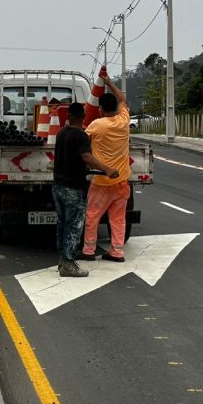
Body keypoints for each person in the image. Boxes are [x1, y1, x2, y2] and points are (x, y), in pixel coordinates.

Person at [53, 102, 118, 277]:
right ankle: (68, 264)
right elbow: (87, 157)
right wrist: (107, 169)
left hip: (58, 186)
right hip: (73, 188)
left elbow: (71, 158)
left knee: (62, 224)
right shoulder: (80, 135)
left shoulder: (61, 134)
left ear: (69, 116)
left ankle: (62, 260)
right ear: (83, 116)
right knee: (74, 226)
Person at [80, 72, 131, 262]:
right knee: (117, 219)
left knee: (92, 216)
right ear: (115, 109)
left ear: (100, 109)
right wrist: (109, 82)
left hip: (101, 180)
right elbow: (123, 99)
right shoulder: (124, 121)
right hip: (121, 181)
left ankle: (88, 251)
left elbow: (82, 142)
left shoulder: (96, 125)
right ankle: (117, 252)